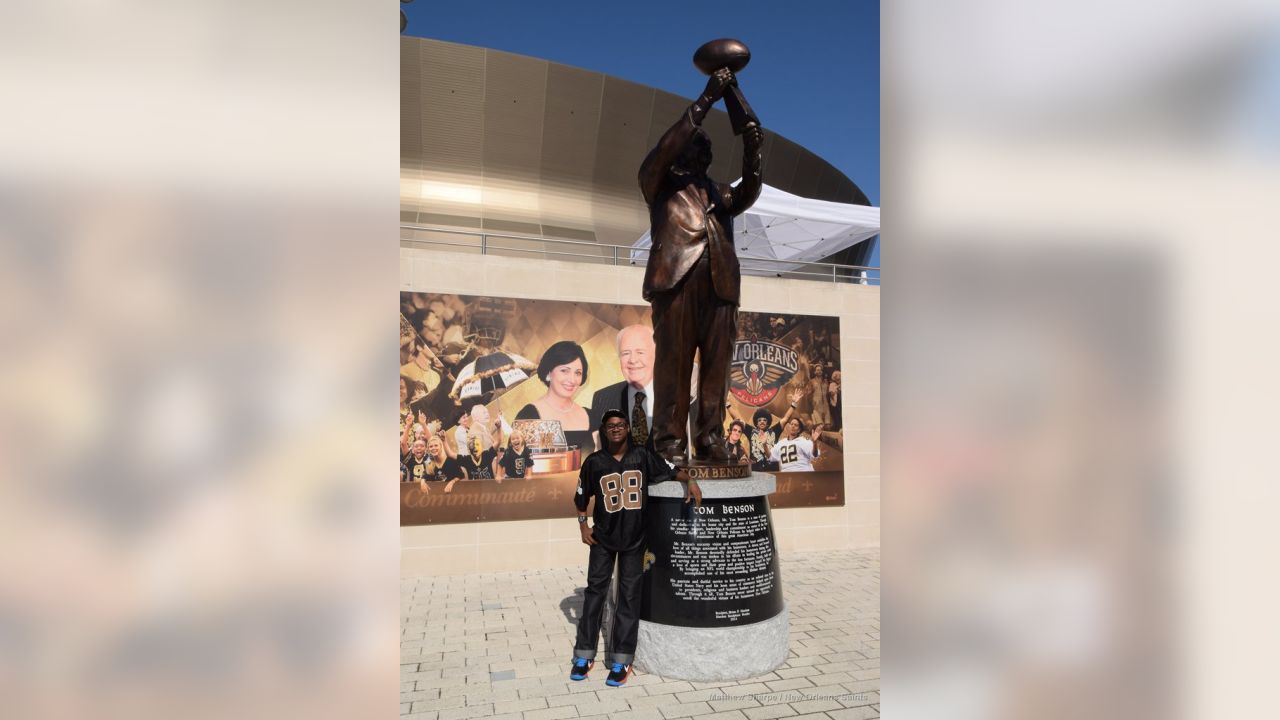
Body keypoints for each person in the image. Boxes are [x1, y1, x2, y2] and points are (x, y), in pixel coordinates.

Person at [638, 67, 763, 464]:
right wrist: (708, 98)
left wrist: (751, 145)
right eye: (694, 144)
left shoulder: (720, 192)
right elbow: (665, 147)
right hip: (676, 282)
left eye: (705, 147)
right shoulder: (657, 181)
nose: (701, 151)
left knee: (716, 369)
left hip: (720, 286)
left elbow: (752, 186)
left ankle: (710, 440)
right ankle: (669, 444)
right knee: (673, 364)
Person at [570, 410, 701, 687]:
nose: (615, 429)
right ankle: (584, 653)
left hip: (634, 540)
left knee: (629, 598)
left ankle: (622, 657)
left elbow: (671, 471)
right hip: (603, 539)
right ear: (604, 431)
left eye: (620, 425)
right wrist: (583, 526)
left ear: (627, 428)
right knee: (595, 593)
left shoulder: (641, 455)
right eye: (610, 426)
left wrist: (690, 480)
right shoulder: (594, 462)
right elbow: (581, 498)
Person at [588, 325, 656, 451]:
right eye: (625, 353)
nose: (633, 360)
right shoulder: (602, 398)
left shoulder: (680, 398)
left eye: (640, 352)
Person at [516, 340, 593, 450]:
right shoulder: (529, 414)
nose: (572, 379)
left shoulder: (591, 416)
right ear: (548, 372)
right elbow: (517, 461)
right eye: (564, 371)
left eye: (578, 373)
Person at [728, 389, 801, 472]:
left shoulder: (775, 430)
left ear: (768, 423)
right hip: (755, 471)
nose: (762, 421)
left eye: (764, 420)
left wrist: (794, 404)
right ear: (756, 423)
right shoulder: (751, 431)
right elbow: (737, 419)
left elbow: (786, 419)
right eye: (759, 420)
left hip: (773, 470)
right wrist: (728, 404)